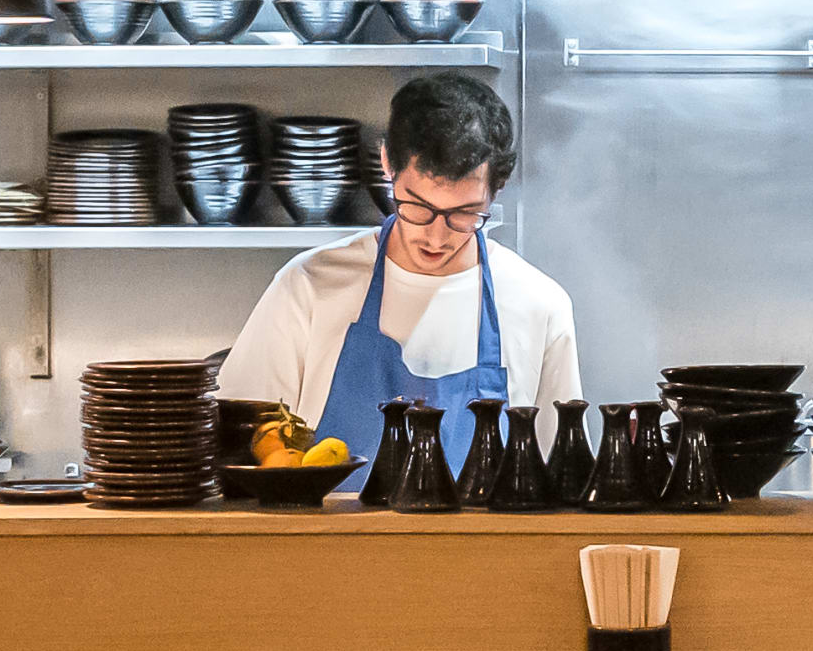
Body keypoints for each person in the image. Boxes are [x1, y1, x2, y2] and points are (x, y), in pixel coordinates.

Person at [216, 69, 581, 470]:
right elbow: (241, 437)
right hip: (332, 535)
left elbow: (560, 474)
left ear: (500, 186)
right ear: (387, 162)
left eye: (465, 213)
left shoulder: (538, 304)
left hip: (482, 536)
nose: (436, 237)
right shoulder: (309, 285)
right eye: (417, 207)